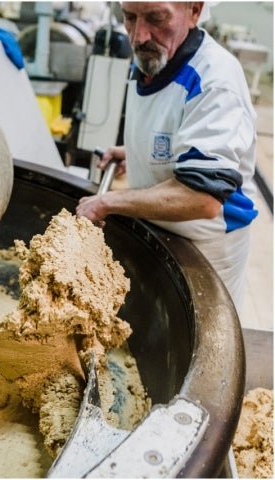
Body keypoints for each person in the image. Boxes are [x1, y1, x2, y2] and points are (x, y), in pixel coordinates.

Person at [76, 2, 259, 311]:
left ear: (195, 10)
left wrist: (107, 202)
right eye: (129, 17)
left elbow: (201, 197)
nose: (138, 35)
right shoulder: (154, 54)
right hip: (162, 230)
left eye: (156, 18)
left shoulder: (215, 82)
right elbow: (173, 127)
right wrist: (134, 152)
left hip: (206, 249)